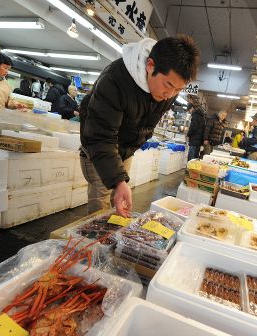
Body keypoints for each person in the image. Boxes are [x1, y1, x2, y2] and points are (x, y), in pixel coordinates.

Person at [80, 36, 200, 216]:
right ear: (150, 65)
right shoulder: (114, 80)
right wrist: (119, 181)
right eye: (168, 85)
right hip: (98, 149)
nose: (170, 95)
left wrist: (120, 180)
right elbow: (100, 135)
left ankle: (115, 241)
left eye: (178, 90)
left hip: (125, 150)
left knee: (119, 204)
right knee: (100, 205)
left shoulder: (168, 90)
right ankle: (93, 242)